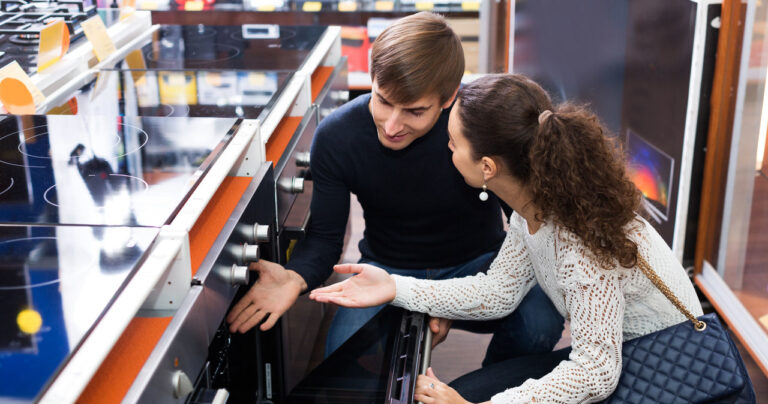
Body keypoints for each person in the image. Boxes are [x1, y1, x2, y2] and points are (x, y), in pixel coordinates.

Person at [309, 73, 705, 403]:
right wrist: (394, 285)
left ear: (487, 167)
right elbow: (498, 291)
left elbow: (596, 373)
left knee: (466, 396)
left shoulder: (579, 246)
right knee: (465, 392)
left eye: (452, 143)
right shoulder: (534, 204)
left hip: (665, 374)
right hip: (621, 356)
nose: (446, 149)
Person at [226, 12, 564, 362]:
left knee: (541, 316)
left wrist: (452, 298)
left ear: (448, 99)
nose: (391, 125)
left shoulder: (477, 129)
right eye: (383, 100)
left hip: (480, 266)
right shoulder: (336, 137)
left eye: (414, 111)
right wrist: (295, 277)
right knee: (344, 354)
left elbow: (525, 219)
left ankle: (489, 388)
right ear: (372, 80)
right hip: (386, 270)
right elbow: (326, 238)